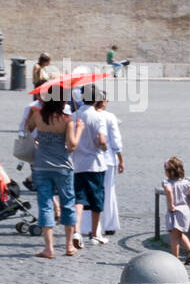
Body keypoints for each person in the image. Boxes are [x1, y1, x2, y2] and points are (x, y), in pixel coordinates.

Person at [25, 94, 82, 258]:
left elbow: (27, 129)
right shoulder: (67, 120)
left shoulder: (38, 115)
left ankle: (48, 248)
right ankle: (69, 245)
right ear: (62, 101)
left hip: (41, 165)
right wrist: (80, 129)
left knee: (45, 204)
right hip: (63, 166)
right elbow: (72, 146)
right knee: (68, 203)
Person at [71, 83, 112, 246]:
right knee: (97, 199)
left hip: (78, 163)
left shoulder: (75, 115)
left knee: (79, 199)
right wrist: (104, 146)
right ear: (95, 99)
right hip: (95, 163)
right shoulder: (98, 117)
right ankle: (95, 233)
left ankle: (76, 231)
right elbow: (101, 140)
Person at [162, 156, 190, 264]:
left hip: (175, 211)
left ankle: (175, 261)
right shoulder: (185, 183)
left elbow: (168, 191)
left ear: (169, 172)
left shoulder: (167, 183)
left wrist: (171, 204)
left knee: (174, 237)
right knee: (180, 233)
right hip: (185, 211)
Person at [100, 101, 125, 235]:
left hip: (84, 161)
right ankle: (109, 225)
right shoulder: (110, 117)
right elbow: (116, 141)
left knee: (87, 193)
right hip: (108, 159)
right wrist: (121, 159)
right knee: (109, 192)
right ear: (103, 102)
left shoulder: (78, 115)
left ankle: (88, 226)